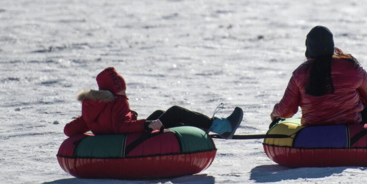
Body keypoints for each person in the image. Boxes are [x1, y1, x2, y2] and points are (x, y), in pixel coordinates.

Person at [64, 67, 243, 138]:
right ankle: (222, 127)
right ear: (114, 90)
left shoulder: (92, 108)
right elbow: (121, 127)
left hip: (120, 138)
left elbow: (69, 130)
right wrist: (148, 125)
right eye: (122, 90)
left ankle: (199, 132)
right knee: (174, 111)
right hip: (129, 139)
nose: (124, 92)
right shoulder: (116, 101)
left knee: (159, 113)